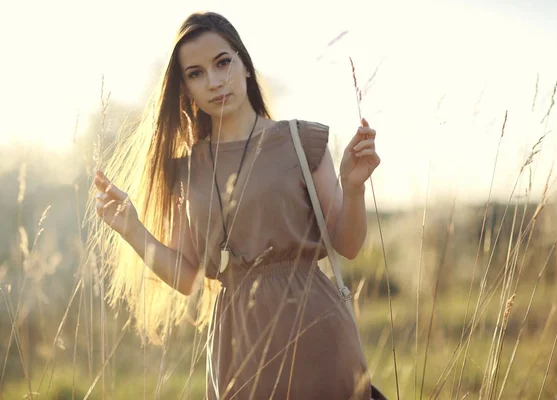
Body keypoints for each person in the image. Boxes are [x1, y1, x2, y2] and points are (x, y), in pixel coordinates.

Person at [91, 11, 381, 399]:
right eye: (195, 73)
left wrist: (353, 187)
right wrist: (132, 229)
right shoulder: (187, 169)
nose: (213, 81)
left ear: (245, 64)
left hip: (318, 330)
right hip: (237, 347)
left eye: (222, 63)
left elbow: (347, 244)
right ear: (185, 88)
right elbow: (187, 277)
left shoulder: (301, 141)